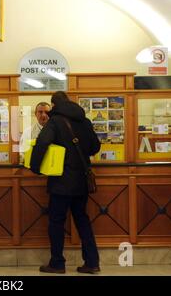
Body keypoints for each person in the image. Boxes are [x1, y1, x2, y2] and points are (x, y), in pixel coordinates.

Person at [30, 91, 101, 274]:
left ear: (54, 105)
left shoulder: (55, 121)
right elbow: (95, 146)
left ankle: (57, 263)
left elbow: (42, 143)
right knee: (82, 220)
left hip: (61, 180)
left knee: (56, 221)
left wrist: (35, 167)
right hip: (81, 182)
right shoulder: (84, 121)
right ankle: (92, 262)